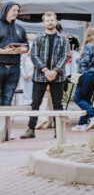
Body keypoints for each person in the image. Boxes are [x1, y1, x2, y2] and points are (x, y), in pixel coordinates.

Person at [21, 11, 70, 139]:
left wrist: (55, 71)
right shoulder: (38, 39)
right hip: (39, 76)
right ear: (43, 23)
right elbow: (34, 55)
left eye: (52, 20)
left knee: (57, 104)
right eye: (47, 20)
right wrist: (45, 70)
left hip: (57, 76)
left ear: (56, 21)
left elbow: (65, 56)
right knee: (35, 103)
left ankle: (58, 131)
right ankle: (31, 129)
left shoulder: (63, 40)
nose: (50, 22)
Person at [71, 27, 94, 131]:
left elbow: (85, 62)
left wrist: (78, 60)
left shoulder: (88, 47)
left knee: (77, 98)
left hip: (87, 74)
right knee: (86, 99)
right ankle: (82, 123)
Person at [0, 1, 29, 105]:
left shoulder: (20, 28)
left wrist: (20, 50)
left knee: (8, 98)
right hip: (0, 65)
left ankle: (4, 122)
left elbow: (26, 46)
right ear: (6, 10)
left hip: (14, 68)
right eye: (14, 10)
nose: (16, 12)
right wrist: (5, 51)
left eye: (17, 10)